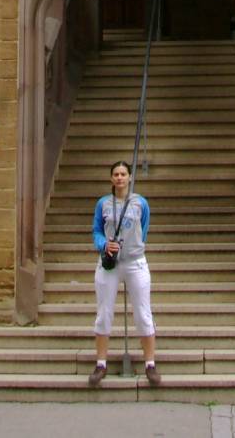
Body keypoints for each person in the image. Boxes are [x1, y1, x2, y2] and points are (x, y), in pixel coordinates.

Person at [89, 160, 160, 386]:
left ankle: (150, 363)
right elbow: (96, 230)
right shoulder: (103, 204)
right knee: (104, 312)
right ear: (111, 178)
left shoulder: (141, 203)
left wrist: (133, 247)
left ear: (130, 177)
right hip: (110, 263)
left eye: (123, 174)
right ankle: (101, 363)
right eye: (116, 174)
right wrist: (104, 245)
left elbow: (143, 229)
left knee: (143, 312)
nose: (119, 177)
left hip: (134, 261)